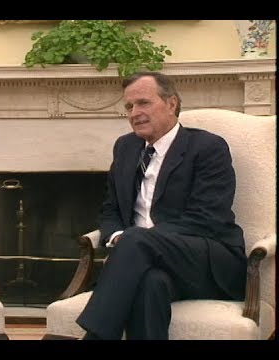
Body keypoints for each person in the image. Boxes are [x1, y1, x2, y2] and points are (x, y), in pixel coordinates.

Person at [76, 72, 247, 340]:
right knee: (150, 284)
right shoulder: (125, 147)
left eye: (144, 103)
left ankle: (94, 337)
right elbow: (110, 210)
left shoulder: (207, 147)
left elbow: (207, 217)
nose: (135, 113)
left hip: (204, 259)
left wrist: (138, 239)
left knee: (136, 240)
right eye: (129, 107)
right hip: (141, 260)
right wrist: (119, 236)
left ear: (171, 104)